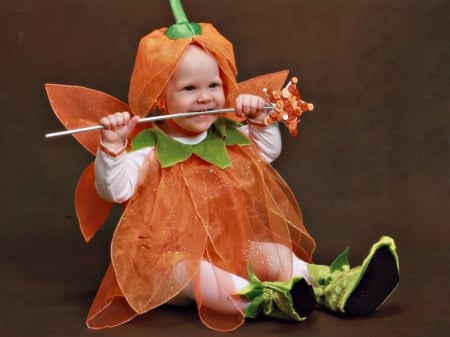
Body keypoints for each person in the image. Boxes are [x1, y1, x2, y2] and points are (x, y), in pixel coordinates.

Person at [52, 0, 400, 332]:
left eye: (214, 85)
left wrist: (261, 119)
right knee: (199, 277)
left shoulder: (230, 133)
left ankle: (332, 285)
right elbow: (114, 189)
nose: (204, 97)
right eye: (189, 88)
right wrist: (112, 147)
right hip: (167, 260)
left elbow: (266, 152)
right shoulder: (148, 149)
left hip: (228, 246)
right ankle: (264, 301)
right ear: (160, 98)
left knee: (274, 255)